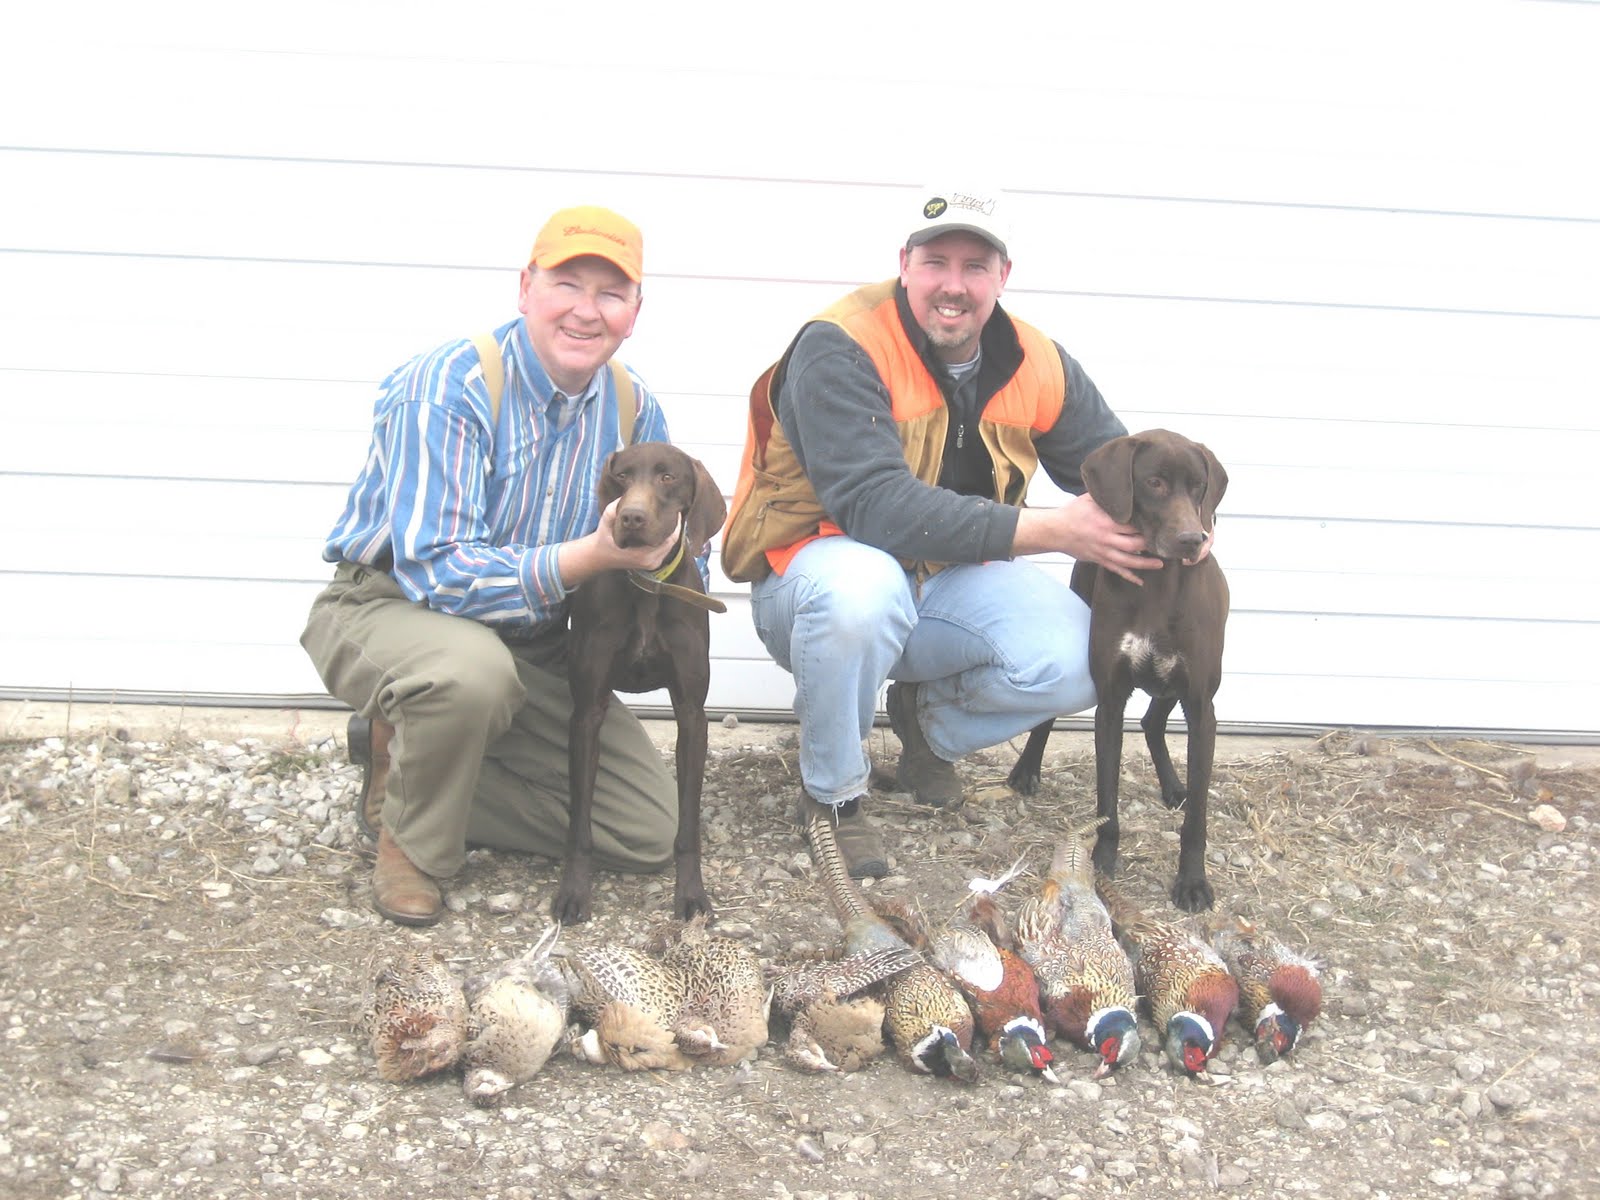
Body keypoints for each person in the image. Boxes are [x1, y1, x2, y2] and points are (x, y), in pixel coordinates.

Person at [722, 183, 1209, 879]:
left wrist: (1183, 522)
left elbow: (1120, 475)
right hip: (814, 576)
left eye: (975, 267)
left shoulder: (1036, 361)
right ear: (904, 265)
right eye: (936, 263)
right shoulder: (842, 344)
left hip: (939, 582)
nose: (954, 285)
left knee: (1081, 658)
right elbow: (876, 508)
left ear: (1003, 277)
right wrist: (1053, 531)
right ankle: (833, 798)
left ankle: (926, 731)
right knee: (862, 592)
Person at [301, 205, 690, 926]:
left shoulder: (634, 407)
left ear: (635, 312)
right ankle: (411, 844)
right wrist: (588, 557)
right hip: (392, 607)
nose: (586, 310)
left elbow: (660, 526)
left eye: (611, 293)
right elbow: (439, 570)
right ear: (524, 288)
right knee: (470, 675)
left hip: (532, 643)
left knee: (643, 831)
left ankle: (408, 751)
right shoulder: (448, 386)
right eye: (566, 284)